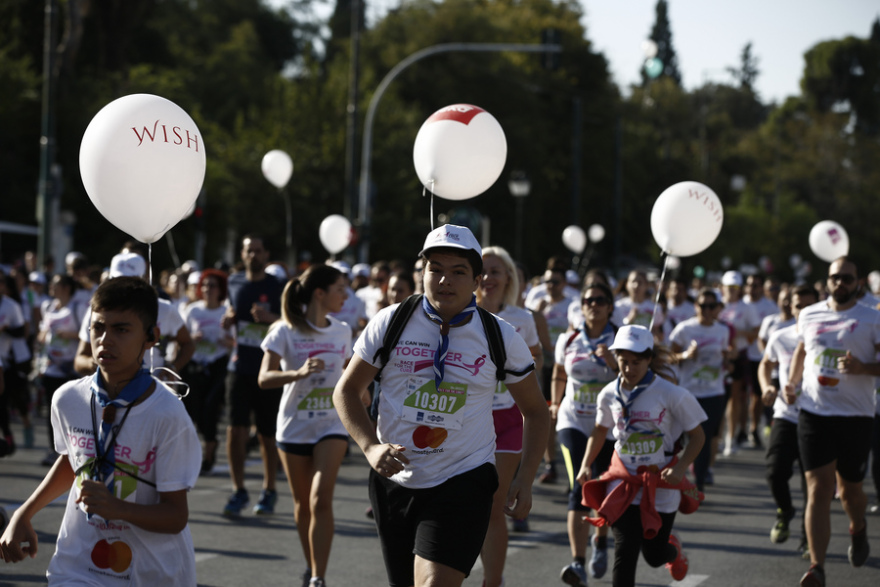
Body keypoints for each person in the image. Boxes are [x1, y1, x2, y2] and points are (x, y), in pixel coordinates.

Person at [333, 225, 549, 587]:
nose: (445, 280)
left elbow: (537, 412)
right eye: (435, 269)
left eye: (459, 271)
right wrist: (370, 447)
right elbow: (347, 391)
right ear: (422, 273)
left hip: (464, 479)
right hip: (396, 480)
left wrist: (525, 479)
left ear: (477, 280)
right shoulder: (391, 322)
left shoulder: (500, 335)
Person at [0, 276, 201, 584]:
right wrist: (24, 513)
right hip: (78, 564)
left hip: (152, 571)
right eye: (98, 327)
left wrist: (118, 508)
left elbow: (176, 516)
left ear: (151, 337)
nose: (105, 339)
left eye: (121, 329)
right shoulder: (68, 398)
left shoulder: (168, 414)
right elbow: (76, 459)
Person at [576, 325, 706, 587]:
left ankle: (673, 550)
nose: (630, 368)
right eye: (624, 361)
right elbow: (600, 431)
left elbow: (698, 436)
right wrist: (585, 464)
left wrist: (681, 468)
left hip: (661, 484)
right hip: (623, 483)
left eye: (637, 361)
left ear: (649, 359)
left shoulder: (672, 394)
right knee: (624, 555)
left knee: (655, 555)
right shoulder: (608, 394)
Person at [783, 257, 880, 587]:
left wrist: (863, 369)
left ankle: (858, 527)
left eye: (847, 279)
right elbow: (801, 351)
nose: (841, 283)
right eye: (835, 277)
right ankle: (817, 567)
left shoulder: (872, 318)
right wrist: (792, 383)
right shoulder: (809, 314)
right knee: (818, 489)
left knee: (851, 491)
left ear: (858, 283)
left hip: (856, 416)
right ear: (827, 281)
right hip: (814, 412)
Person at [258, 265, 352, 587]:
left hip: (332, 424)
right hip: (294, 426)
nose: (346, 294)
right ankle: (311, 565)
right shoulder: (284, 331)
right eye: (340, 288)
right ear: (320, 293)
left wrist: (361, 392)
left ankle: (318, 578)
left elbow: (349, 373)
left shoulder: (342, 331)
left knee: (320, 498)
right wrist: (297, 373)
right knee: (302, 505)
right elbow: (264, 378)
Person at [476, 246, 543, 587]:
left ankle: (493, 580)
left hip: (508, 421)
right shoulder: (460, 314)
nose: (489, 278)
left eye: (496, 271)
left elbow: (537, 360)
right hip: (466, 422)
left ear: (508, 278)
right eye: (483, 271)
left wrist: (519, 362)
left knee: (493, 504)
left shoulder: (522, 318)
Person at [553, 282, 619, 585]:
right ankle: (577, 562)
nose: (594, 304)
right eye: (588, 300)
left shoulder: (620, 340)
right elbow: (559, 372)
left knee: (601, 489)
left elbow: (634, 378)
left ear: (609, 306)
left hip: (607, 426)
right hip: (572, 421)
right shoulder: (569, 339)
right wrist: (555, 401)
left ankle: (600, 541)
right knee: (579, 485)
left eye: (600, 300)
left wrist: (614, 363)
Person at [221, 235, 284, 517]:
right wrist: (229, 316)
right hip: (239, 365)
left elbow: (293, 321)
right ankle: (238, 490)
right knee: (235, 431)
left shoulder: (277, 286)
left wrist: (271, 318)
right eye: (249, 251)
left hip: (268, 368)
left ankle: (269, 489)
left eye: (258, 251)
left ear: (265, 254)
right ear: (243, 254)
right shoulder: (233, 281)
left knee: (267, 435)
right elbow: (231, 307)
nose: (253, 255)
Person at [758, 284, 818, 556]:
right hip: (785, 414)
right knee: (774, 471)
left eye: (809, 305)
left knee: (812, 484)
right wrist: (767, 387)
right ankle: (785, 510)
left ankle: (809, 540)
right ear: (791, 308)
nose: (803, 310)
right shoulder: (780, 336)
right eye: (798, 306)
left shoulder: (826, 337)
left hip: (817, 417)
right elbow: (766, 364)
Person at [669, 288, 731, 492]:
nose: (706, 310)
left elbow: (728, 360)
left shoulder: (722, 330)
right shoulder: (684, 329)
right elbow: (669, 357)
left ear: (717, 309)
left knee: (703, 437)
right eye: (702, 306)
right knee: (685, 436)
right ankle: (679, 471)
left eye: (711, 306)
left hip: (714, 392)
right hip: (688, 391)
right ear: (696, 306)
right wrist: (686, 355)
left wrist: (728, 359)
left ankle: (699, 482)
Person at [181, 269, 234, 475]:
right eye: (204, 285)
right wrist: (193, 338)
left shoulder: (227, 311)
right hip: (195, 364)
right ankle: (196, 453)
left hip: (218, 364)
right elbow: (182, 338)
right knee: (193, 409)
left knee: (210, 407)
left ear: (220, 289)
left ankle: (210, 450)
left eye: (212, 286)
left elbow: (236, 340)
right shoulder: (193, 311)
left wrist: (225, 341)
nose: (207, 290)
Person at [526, 263, 575, 484]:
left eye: (555, 282)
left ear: (564, 284)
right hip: (542, 366)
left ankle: (572, 465)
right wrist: (538, 311)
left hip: (565, 367)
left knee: (563, 417)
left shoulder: (572, 304)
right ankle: (550, 464)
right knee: (546, 415)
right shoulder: (536, 299)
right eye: (547, 281)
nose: (551, 286)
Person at [36, 275, 82, 466]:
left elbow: (84, 334)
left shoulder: (76, 308)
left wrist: (68, 334)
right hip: (50, 366)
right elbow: (41, 335)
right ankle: (53, 449)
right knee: (51, 410)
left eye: (54, 284)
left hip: (69, 368)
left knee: (69, 410)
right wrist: (44, 336)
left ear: (66, 287)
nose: (50, 287)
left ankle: (72, 451)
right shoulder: (48, 306)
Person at [717, 270, 761, 456]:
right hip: (717, 355)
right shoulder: (716, 305)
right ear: (723, 288)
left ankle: (730, 438)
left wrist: (737, 333)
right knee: (718, 398)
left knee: (735, 399)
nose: (732, 291)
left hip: (738, 355)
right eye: (729, 287)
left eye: (735, 288)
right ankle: (716, 437)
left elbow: (757, 332)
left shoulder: (746, 307)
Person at [744, 274, 780, 449]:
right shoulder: (741, 304)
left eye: (756, 285)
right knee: (746, 397)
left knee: (759, 396)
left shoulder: (771, 306)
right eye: (750, 284)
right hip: (745, 355)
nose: (753, 288)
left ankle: (757, 427)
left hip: (762, 358)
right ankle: (747, 429)